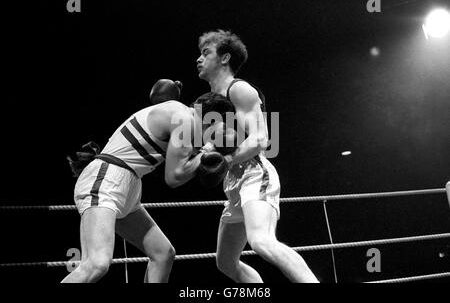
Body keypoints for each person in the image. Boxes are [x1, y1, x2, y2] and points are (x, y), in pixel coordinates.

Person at [62, 81, 235, 283]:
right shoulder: (184, 119)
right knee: (96, 264)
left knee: (163, 254)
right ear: (211, 120)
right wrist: (208, 150)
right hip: (107, 179)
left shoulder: (181, 118)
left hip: (127, 184)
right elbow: (174, 178)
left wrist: (204, 153)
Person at [196, 29, 319, 282]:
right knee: (226, 263)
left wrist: (226, 160)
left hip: (255, 174)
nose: (198, 59)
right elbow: (211, 148)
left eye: (206, 53)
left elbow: (261, 139)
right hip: (234, 185)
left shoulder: (240, 90)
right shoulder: (208, 102)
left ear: (224, 58)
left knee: (262, 241)